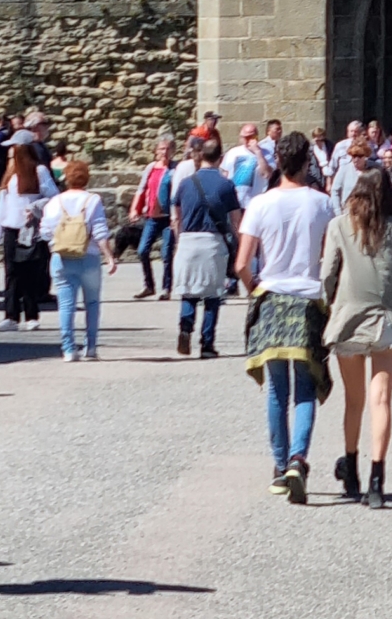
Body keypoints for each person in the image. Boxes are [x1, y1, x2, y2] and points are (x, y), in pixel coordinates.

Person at [238, 132, 338, 503]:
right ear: (307, 163)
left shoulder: (260, 205)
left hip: (272, 297)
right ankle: (298, 458)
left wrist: (257, 291)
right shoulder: (323, 204)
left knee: (277, 390)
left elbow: (241, 265)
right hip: (309, 299)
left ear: (278, 161)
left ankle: (279, 469)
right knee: (306, 387)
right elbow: (331, 258)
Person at [322, 160, 392, 510]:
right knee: (382, 399)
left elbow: (328, 275)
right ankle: (377, 479)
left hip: (349, 318)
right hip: (387, 320)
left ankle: (351, 468)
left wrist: (330, 305)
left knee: (354, 399)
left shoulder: (338, 226)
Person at [172, 135, 242, 358]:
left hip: (188, 240)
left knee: (189, 291)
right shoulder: (226, 184)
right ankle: (207, 344)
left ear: (201, 156)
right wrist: (238, 244)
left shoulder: (185, 183)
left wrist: (178, 240)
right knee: (213, 295)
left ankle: (185, 328)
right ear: (220, 158)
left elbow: (176, 217)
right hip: (213, 242)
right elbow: (236, 220)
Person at [41, 157, 115, 361]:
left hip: (62, 257)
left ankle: (68, 349)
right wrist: (109, 257)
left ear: (66, 178)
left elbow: (45, 232)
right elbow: (100, 232)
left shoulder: (55, 202)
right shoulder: (93, 200)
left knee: (66, 305)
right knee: (92, 303)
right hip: (88, 256)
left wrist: (57, 243)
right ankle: (90, 347)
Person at [0, 134, 56, 328]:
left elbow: (53, 196)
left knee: (30, 273)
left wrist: (35, 207)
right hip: (11, 227)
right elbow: (3, 203)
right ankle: (10, 316)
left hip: (29, 230)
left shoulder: (39, 171)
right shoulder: (10, 173)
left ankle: (32, 316)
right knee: (11, 273)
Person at [130, 134, 177, 300]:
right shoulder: (151, 168)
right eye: (162, 148)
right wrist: (134, 209)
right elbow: (141, 189)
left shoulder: (175, 169)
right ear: (156, 151)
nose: (164, 152)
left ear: (173, 151)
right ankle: (149, 285)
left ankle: (166, 288)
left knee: (166, 254)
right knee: (143, 250)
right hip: (151, 216)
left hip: (167, 218)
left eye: (168, 149)